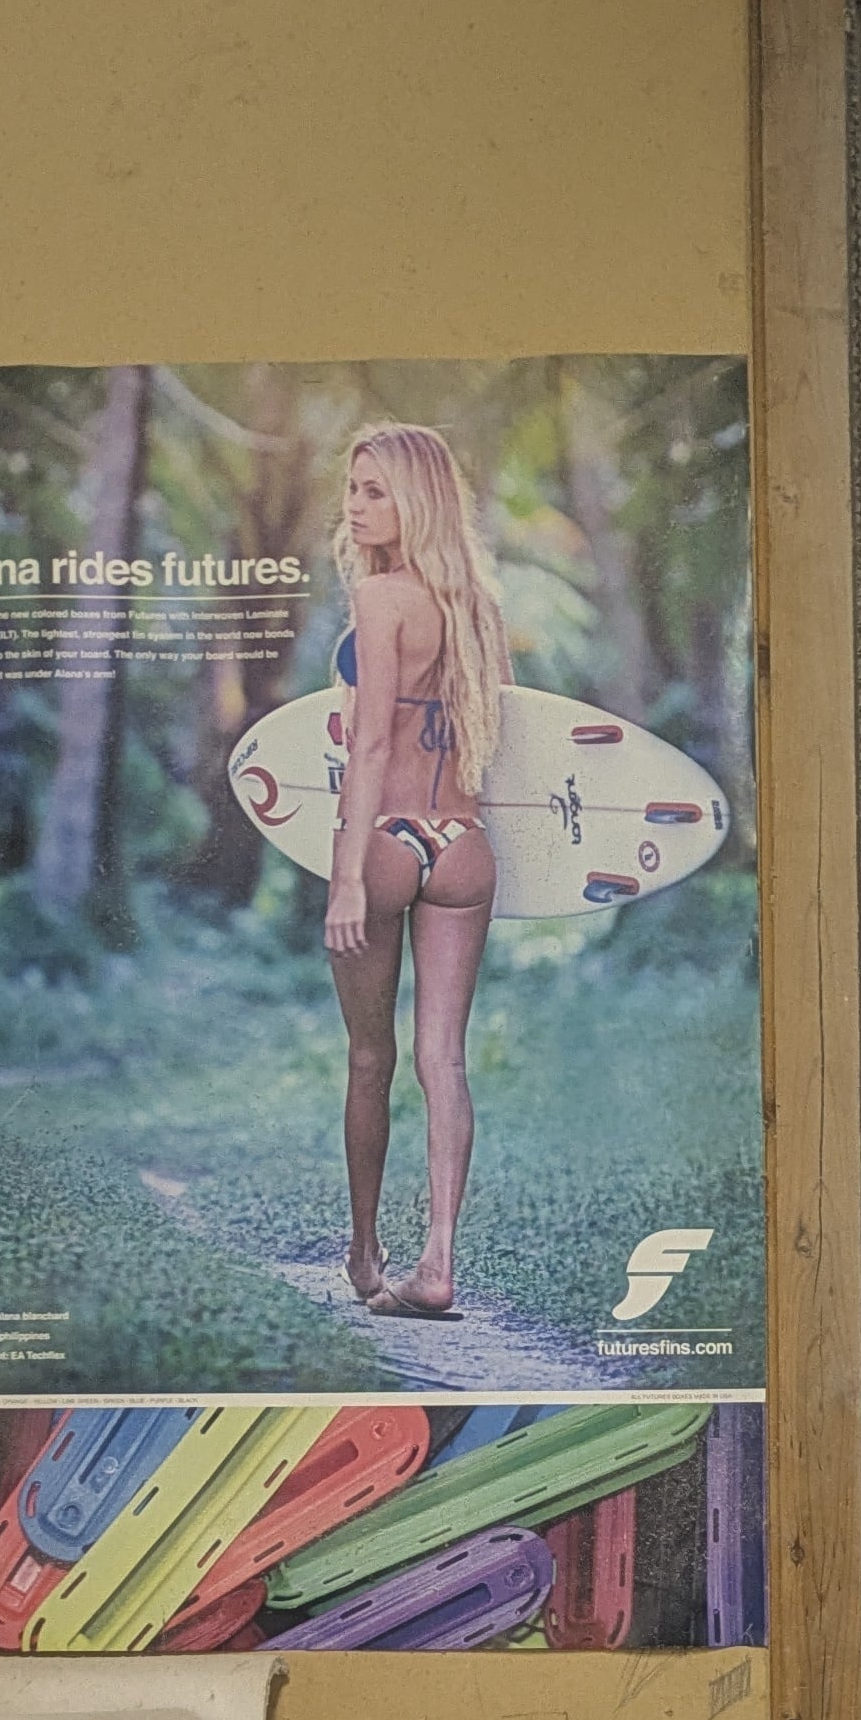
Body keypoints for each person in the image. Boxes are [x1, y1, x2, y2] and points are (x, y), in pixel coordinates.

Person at [322, 424, 508, 1321]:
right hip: (464, 844)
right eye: (353, 489)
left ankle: (365, 1253)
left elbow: (369, 746)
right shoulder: (476, 605)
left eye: (375, 491)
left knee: (371, 1054)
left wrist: (349, 877)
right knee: (445, 1058)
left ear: (417, 500)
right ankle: (438, 1260)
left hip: (389, 837)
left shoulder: (380, 595)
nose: (356, 507)